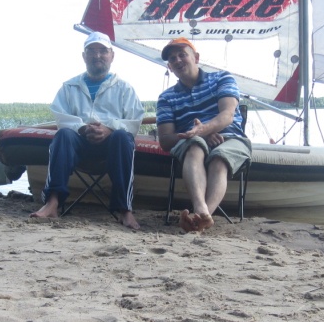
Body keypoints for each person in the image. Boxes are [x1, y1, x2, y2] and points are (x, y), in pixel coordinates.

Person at [30, 31, 144, 229]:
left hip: (111, 148)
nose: (97, 55)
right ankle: (52, 203)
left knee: (122, 137)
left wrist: (109, 129)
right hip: (78, 146)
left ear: (112, 56)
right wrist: (82, 128)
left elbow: (134, 122)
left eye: (103, 51)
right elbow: (61, 117)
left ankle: (125, 209)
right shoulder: (69, 87)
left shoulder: (125, 89)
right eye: (91, 51)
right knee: (64, 134)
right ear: (84, 56)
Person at [156, 37, 251, 233]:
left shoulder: (222, 78)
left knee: (219, 159)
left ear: (196, 57)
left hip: (232, 137)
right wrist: (197, 135)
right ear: (170, 67)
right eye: (172, 59)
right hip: (190, 140)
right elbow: (165, 140)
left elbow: (227, 115)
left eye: (182, 54)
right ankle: (202, 213)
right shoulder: (166, 97)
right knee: (195, 146)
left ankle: (200, 216)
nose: (177, 60)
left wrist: (204, 129)